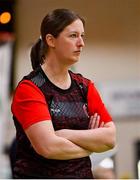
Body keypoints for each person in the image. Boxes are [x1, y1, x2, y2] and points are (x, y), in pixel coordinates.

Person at [11, 8, 116, 179]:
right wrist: (91, 145)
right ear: (51, 40)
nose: (81, 43)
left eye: (83, 36)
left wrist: (66, 135)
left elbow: (110, 138)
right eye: (73, 36)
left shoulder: (85, 86)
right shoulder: (30, 88)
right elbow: (49, 147)